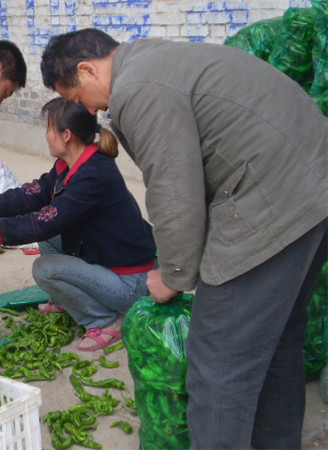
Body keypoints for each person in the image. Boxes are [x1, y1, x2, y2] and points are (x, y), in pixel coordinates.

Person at [40, 28, 327, 448]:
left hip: (271, 202)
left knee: (218, 361)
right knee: (278, 337)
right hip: (313, 192)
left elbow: (175, 188)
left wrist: (172, 274)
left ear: (87, 69)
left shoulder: (137, 88)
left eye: (78, 96)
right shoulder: (157, 59)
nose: (87, 109)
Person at [0, 97, 156, 351]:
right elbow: (31, 194)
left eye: (49, 129)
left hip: (130, 283)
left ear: (66, 135)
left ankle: (105, 321)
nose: (47, 136)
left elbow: (42, 223)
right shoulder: (69, 164)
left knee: (45, 269)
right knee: (50, 237)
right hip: (106, 259)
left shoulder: (93, 176)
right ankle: (68, 299)